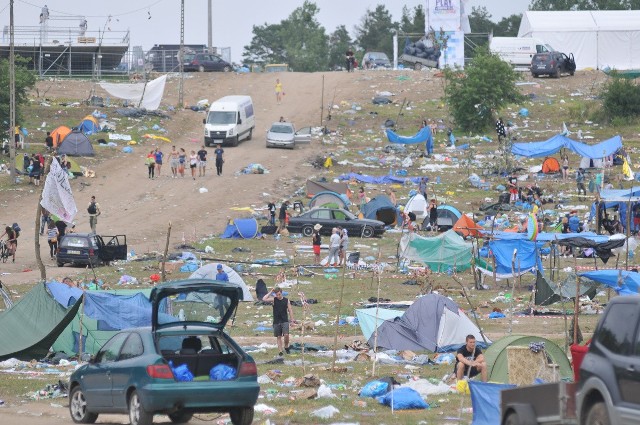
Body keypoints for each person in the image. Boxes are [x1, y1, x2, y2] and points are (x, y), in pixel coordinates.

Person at [262, 286, 294, 356]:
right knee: (278, 336)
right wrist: (271, 291)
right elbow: (264, 299)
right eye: (277, 295)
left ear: (281, 293)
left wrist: (292, 320)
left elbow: (290, 310)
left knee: (286, 335)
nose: (278, 296)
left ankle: (286, 346)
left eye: (279, 294)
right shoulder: (274, 299)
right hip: (276, 321)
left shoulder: (286, 300)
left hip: (284, 320)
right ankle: (280, 351)